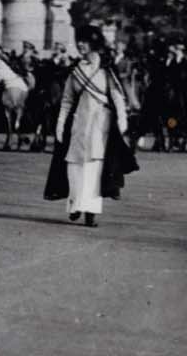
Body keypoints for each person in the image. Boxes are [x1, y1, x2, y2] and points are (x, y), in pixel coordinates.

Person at [48, 26, 135, 227]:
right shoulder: (75, 71)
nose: (80, 44)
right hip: (79, 124)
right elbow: (67, 100)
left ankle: (90, 212)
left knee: (94, 169)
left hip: (100, 124)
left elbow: (117, 97)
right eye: (80, 41)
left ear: (94, 44)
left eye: (85, 41)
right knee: (75, 166)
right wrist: (60, 123)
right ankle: (75, 205)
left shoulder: (106, 70)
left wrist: (122, 121)